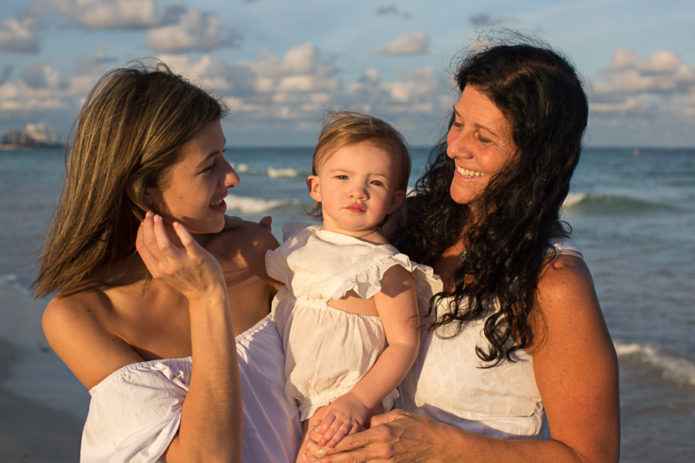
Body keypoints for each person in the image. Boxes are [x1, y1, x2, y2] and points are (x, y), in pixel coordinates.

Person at [305, 43, 621, 462]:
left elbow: (589, 457)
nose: (455, 147)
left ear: (535, 160)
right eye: (457, 122)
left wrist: (442, 447)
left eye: (484, 137)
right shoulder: (415, 221)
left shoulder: (553, 282)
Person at [33, 61, 300, 462]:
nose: (233, 177)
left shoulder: (253, 251)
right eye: (210, 166)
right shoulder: (82, 315)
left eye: (225, 155)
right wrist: (207, 297)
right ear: (145, 192)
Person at [266, 111, 441, 462]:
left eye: (375, 182)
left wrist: (358, 401)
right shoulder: (301, 244)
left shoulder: (385, 268)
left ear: (394, 200)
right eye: (342, 176)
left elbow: (404, 343)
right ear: (316, 187)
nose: (357, 190)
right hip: (290, 396)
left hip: (343, 401)